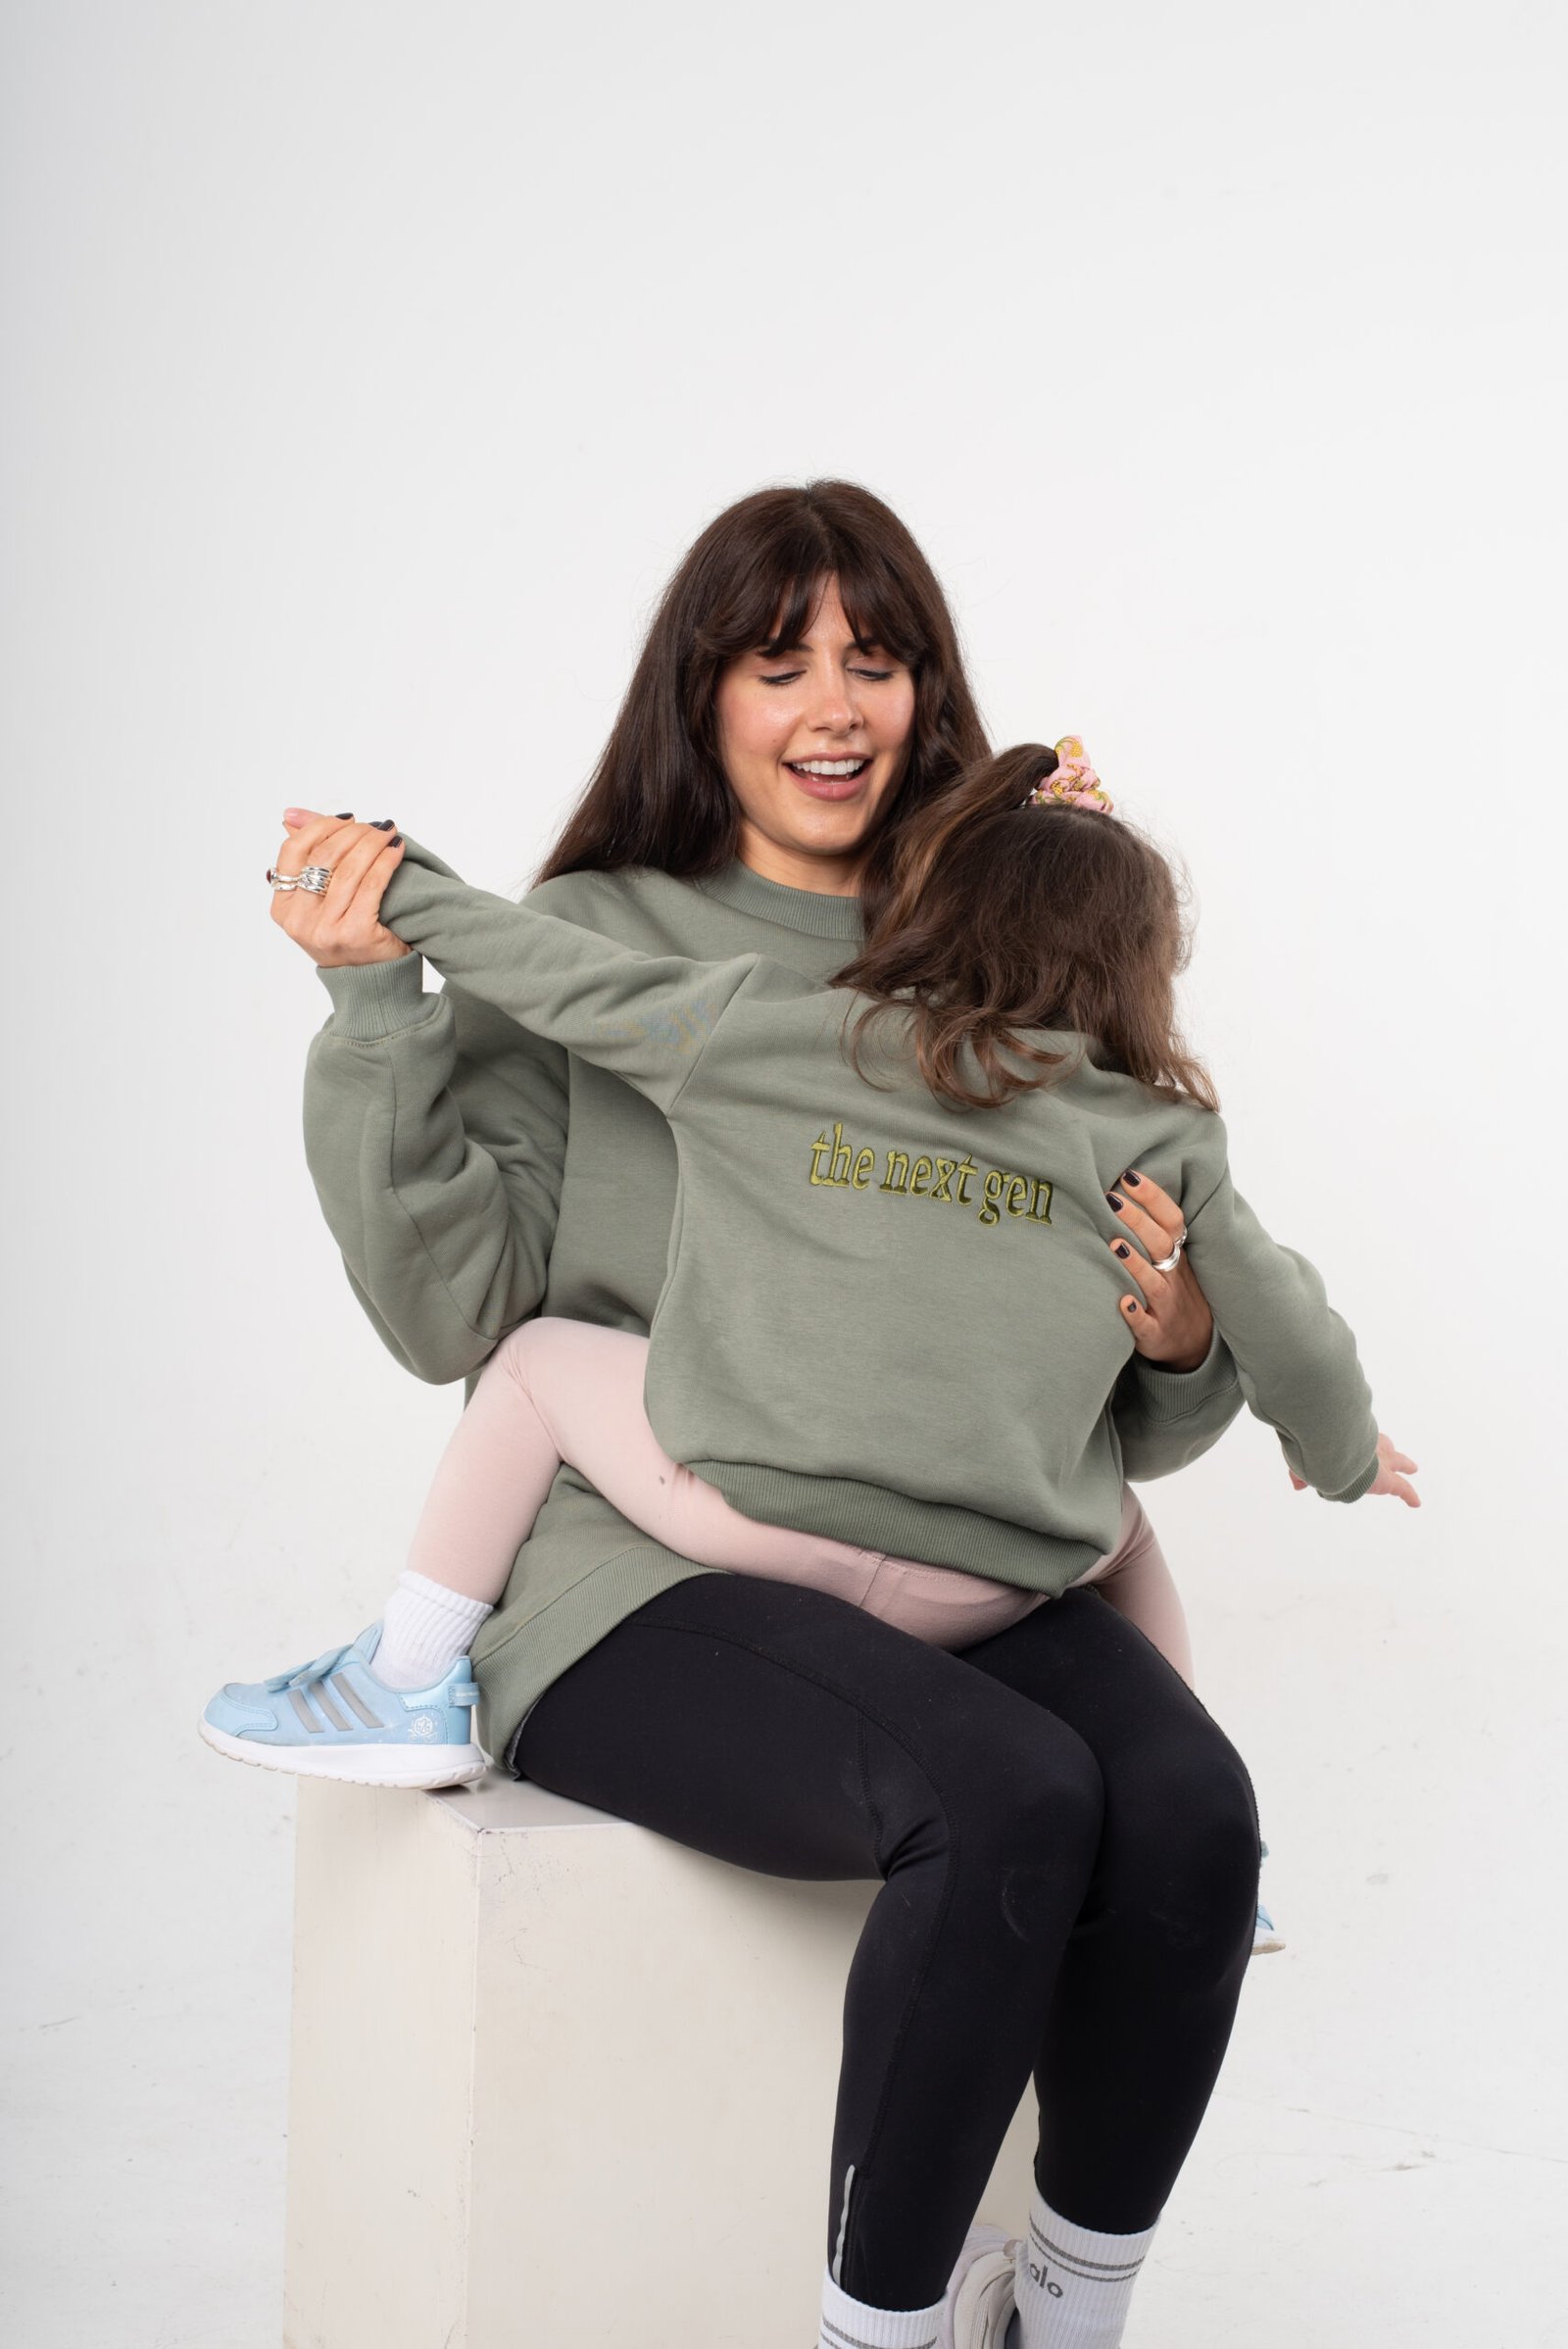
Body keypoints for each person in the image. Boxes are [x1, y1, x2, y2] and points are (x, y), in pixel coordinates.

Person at [231, 487, 1321, 2348]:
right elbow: (455, 1319)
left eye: (876, 661)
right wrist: (374, 1016)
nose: (833, 706)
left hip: (952, 1548)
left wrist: (1187, 1333)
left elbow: (1114, 1430)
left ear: (929, 696)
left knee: (1196, 1814)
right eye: (777, 660)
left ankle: (1067, 2311)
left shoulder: (1011, 942)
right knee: (1005, 1794)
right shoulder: (594, 938)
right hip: (648, 1557)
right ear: (701, 695)